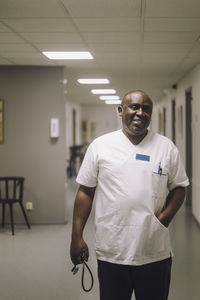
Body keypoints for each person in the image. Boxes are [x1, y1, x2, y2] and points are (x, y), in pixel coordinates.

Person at [70, 90, 189, 300]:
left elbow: (180, 187)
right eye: (134, 107)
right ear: (120, 110)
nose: (140, 113)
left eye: (146, 108)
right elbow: (85, 191)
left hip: (154, 251)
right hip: (112, 250)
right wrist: (76, 236)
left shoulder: (166, 148)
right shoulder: (101, 146)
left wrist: (163, 220)